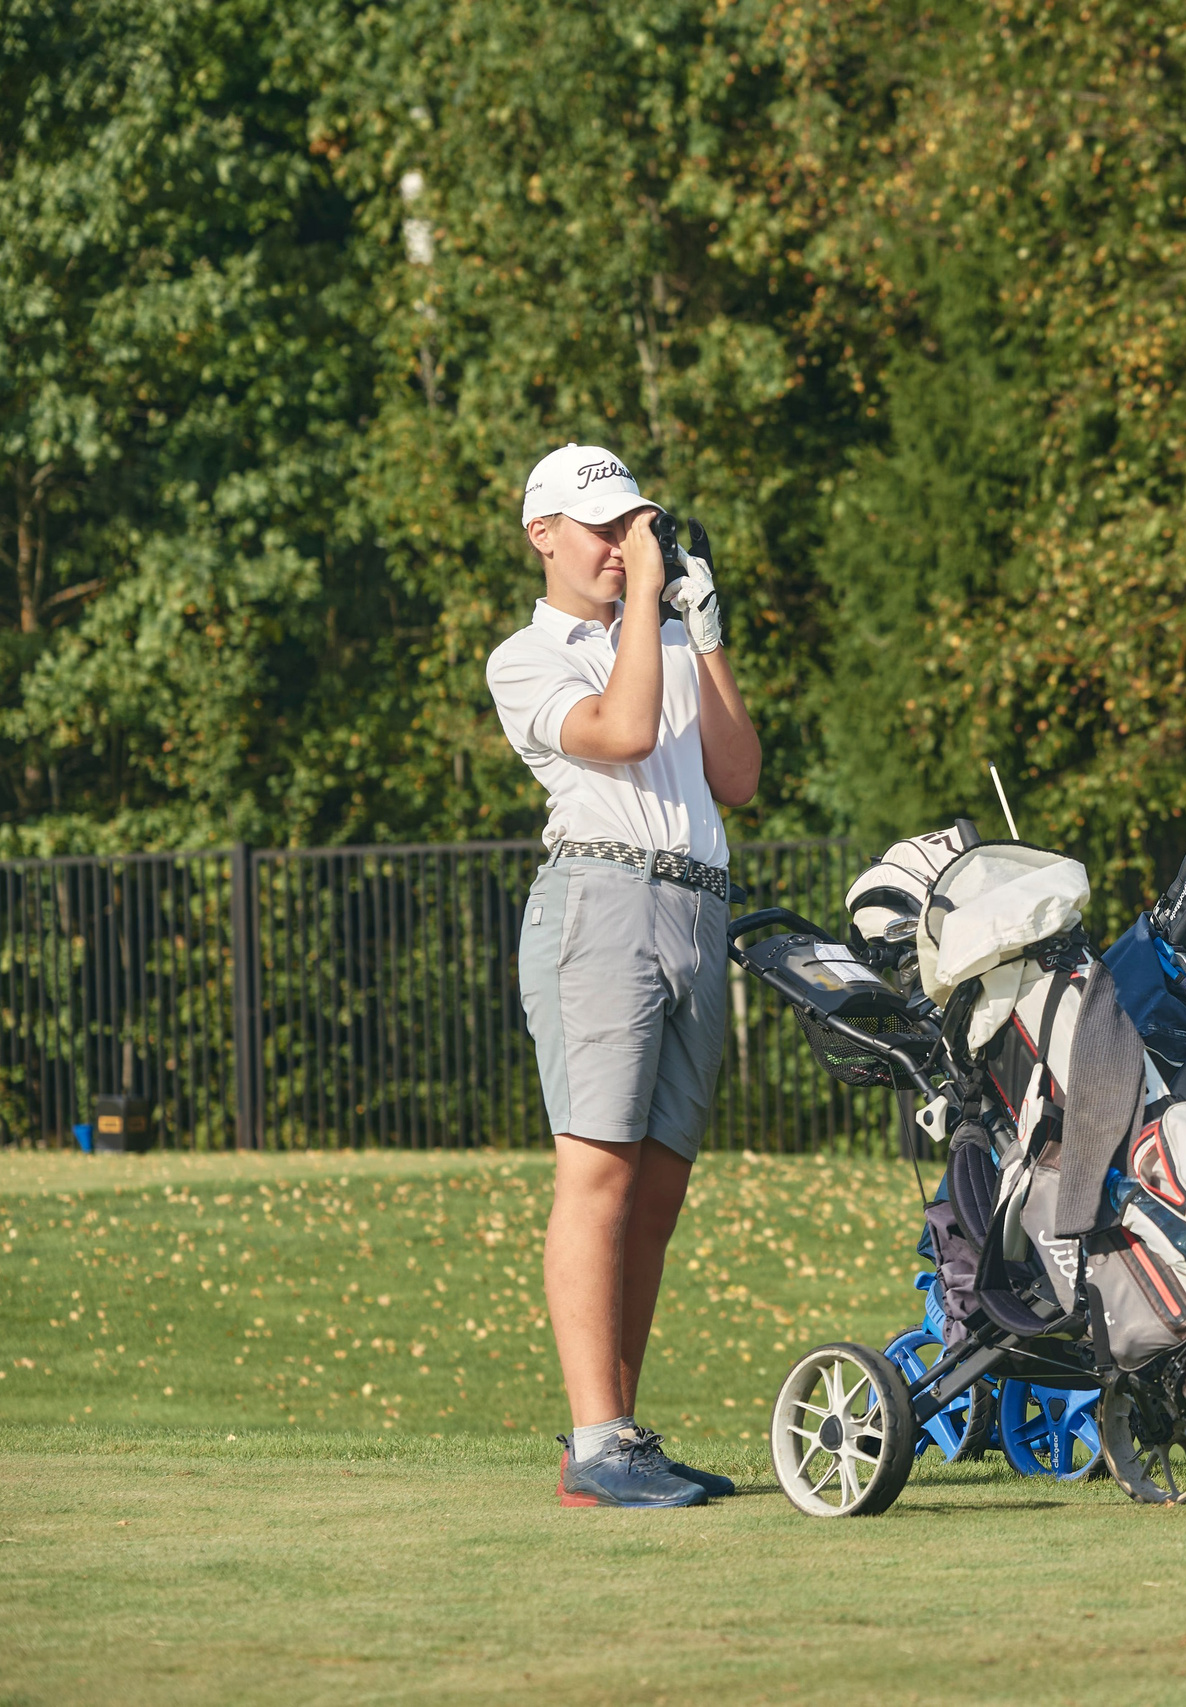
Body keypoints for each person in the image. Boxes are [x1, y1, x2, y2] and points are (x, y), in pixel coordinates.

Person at [486, 443, 763, 1507]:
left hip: (696, 901)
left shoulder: (670, 642)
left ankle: (615, 1442)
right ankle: (597, 1439)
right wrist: (646, 602)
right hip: (600, 904)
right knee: (598, 1171)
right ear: (543, 535)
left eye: (633, 526)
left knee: (656, 1189)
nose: (620, 546)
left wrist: (707, 633)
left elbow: (733, 774)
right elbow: (625, 729)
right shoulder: (526, 657)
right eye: (602, 529)